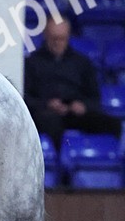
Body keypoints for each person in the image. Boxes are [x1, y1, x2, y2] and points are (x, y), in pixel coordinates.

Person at [24, 16, 121, 151]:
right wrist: (47, 104)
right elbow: (26, 98)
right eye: (54, 38)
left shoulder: (82, 62)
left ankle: (107, 157)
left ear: (68, 36)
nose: (58, 43)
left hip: (76, 113)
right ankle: (60, 161)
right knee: (49, 121)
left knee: (112, 124)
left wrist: (83, 106)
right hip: (46, 114)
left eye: (62, 38)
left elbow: (94, 98)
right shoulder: (32, 63)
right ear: (45, 35)